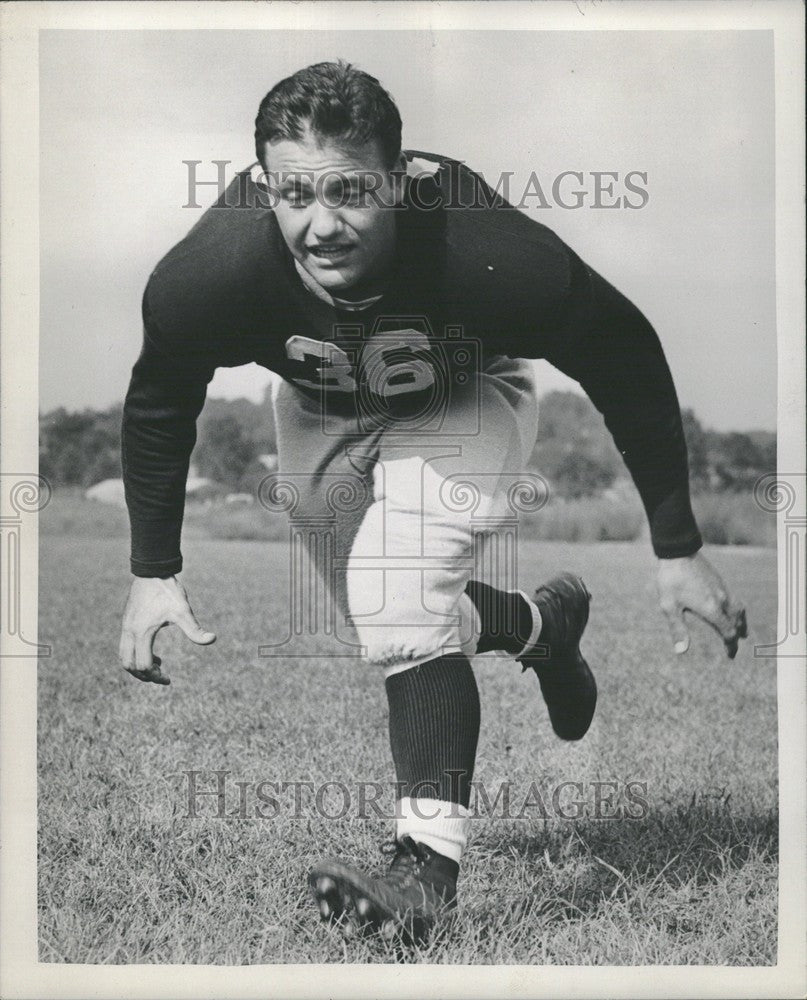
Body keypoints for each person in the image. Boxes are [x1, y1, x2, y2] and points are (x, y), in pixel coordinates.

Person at [119, 60, 747, 944]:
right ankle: (541, 625)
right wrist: (153, 571)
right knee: (391, 619)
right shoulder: (210, 273)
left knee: (399, 598)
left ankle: (422, 873)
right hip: (322, 402)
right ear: (263, 183)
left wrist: (676, 543)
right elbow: (158, 401)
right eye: (294, 193)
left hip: (464, 388)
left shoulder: (487, 253)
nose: (322, 224)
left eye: (351, 193)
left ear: (402, 180)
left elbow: (625, 355)